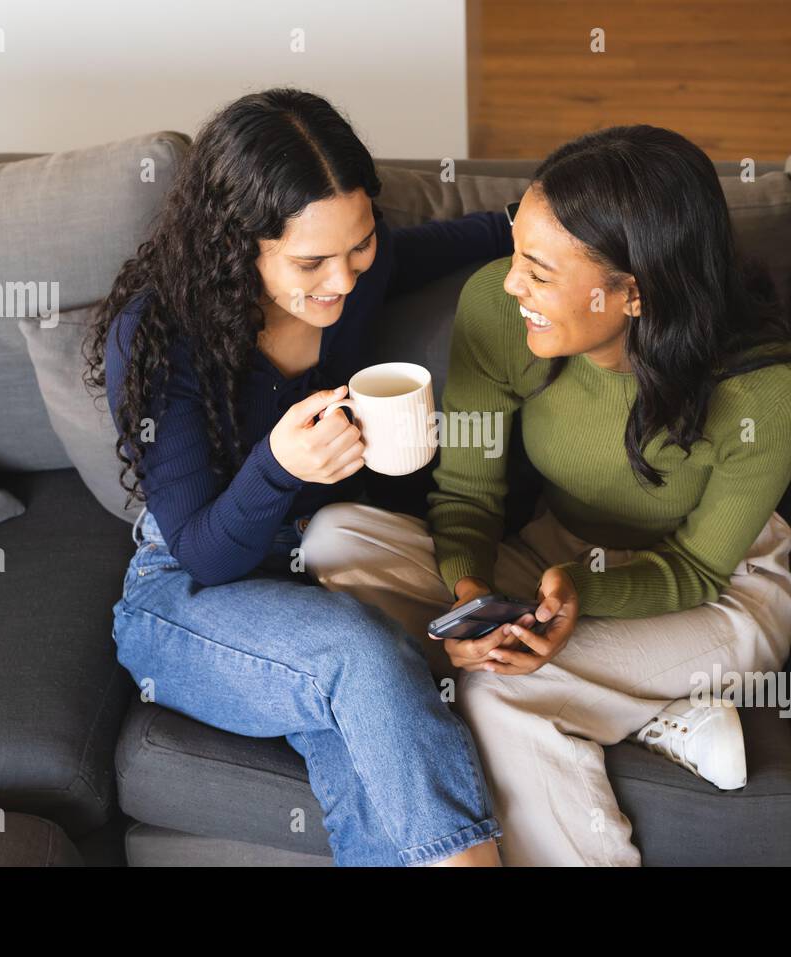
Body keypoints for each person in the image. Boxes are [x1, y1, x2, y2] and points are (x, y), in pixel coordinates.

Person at [300, 125, 791, 866]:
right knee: (335, 539)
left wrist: (580, 593)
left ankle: (639, 697)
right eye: (516, 253)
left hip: (719, 592)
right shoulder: (498, 310)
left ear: (632, 291)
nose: (512, 284)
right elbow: (468, 493)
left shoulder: (767, 387)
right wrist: (471, 592)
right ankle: (644, 709)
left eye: (538, 271)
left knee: (503, 693)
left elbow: (699, 569)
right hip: (549, 559)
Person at [83, 88, 514, 866]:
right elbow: (205, 555)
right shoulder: (158, 335)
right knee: (360, 653)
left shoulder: (356, 275)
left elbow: (487, 231)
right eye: (310, 261)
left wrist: (556, 226)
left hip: (323, 569)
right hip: (185, 595)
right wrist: (278, 466)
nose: (343, 282)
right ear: (234, 244)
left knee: (366, 748)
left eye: (359, 247)